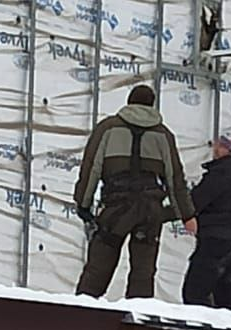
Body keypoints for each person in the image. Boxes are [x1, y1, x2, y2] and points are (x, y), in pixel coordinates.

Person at [73, 85, 197, 298]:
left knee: (97, 272)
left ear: (129, 102)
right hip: (150, 211)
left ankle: (81, 318)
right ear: (152, 104)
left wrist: (83, 205)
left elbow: (91, 168)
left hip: (115, 209)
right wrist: (187, 214)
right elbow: (175, 178)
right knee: (143, 274)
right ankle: (137, 323)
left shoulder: (107, 128)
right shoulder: (163, 135)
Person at [180, 135, 231, 317]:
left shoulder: (223, 171)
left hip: (215, 242)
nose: (215, 148)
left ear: (227, 150)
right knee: (224, 295)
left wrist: (174, 210)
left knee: (194, 292)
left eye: (220, 145)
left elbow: (197, 200)